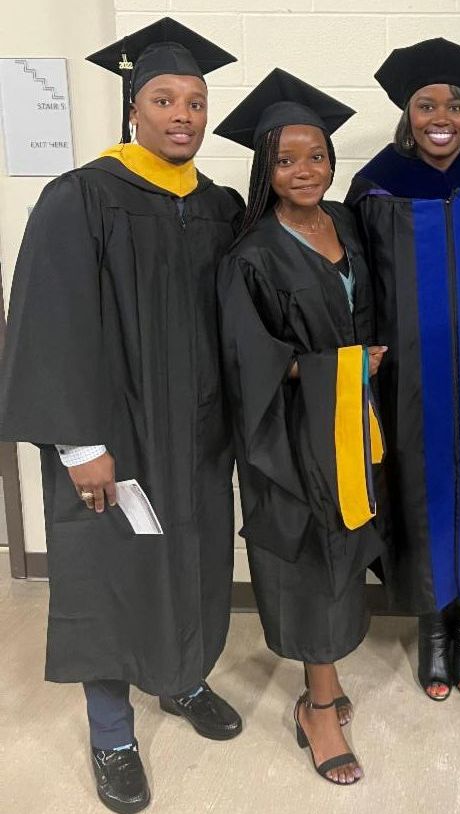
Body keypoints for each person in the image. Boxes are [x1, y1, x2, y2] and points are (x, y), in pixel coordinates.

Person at [0, 18, 245, 814]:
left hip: (198, 433)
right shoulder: (82, 196)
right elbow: (50, 321)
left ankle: (181, 678)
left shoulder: (218, 205)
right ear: (133, 108)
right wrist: (79, 445)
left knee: (193, 556)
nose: (183, 115)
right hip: (117, 432)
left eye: (196, 102)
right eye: (164, 99)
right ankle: (112, 736)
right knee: (110, 571)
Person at [215, 68, 385, 786]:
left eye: (316, 155)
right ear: (266, 170)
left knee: (345, 543)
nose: (304, 170)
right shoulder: (252, 253)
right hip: (289, 432)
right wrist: (343, 366)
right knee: (311, 554)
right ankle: (318, 708)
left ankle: (328, 679)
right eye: (286, 160)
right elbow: (248, 359)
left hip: (349, 420)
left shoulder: (344, 222)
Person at [346, 38, 460, 702]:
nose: (441, 117)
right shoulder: (376, 188)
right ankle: (432, 629)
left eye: (455, 104)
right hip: (411, 381)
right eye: (426, 105)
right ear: (408, 113)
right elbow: (361, 285)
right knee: (421, 494)